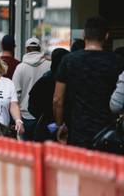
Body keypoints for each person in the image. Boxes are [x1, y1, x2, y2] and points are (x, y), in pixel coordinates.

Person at [53, 16, 124, 148]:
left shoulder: (68, 61)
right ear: (107, 36)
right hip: (108, 135)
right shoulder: (118, 62)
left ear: (84, 34)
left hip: (77, 132)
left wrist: (59, 124)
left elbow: (58, 99)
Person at [12, 37, 51, 140]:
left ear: (26, 50)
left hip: (25, 115)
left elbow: (16, 94)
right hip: (44, 116)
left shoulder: (20, 67)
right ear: (39, 49)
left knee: (26, 150)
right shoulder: (49, 65)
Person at [28, 48, 69, 141]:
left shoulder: (44, 80)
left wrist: (44, 117)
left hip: (44, 127)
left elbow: (31, 105)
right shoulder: (68, 82)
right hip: (64, 128)